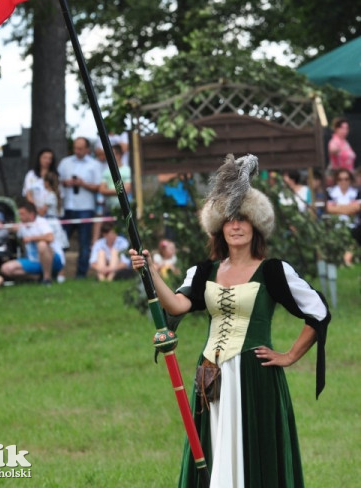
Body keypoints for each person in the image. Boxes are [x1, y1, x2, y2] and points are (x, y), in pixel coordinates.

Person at [129, 153, 331, 488]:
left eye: (243, 219)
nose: (235, 226)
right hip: (210, 379)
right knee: (212, 453)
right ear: (219, 227)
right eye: (229, 220)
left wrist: (290, 356)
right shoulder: (204, 271)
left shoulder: (274, 271)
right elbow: (177, 305)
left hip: (255, 379)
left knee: (254, 458)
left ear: (255, 225)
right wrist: (150, 273)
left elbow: (318, 312)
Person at [58, 137, 101, 278]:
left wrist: (83, 184)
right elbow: (56, 182)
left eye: (80, 148)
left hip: (85, 207)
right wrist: (65, 183)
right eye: (75, 148)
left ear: (87, 149)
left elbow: (98, 186)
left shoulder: (94, 165)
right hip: (67, 207)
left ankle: (81, 274)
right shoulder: (65, 163)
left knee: (84, 243)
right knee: (61, 241)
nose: (77, 151)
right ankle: (58, 271)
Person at [1, 199, 65, 285]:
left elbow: (50, 237)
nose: (20, 216)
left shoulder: (41, 222)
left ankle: (47, 279)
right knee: (6, 269)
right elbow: (13, 230)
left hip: (53, 260)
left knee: (42, 245)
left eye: (22, 214)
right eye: (19, 214)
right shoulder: (22, 225)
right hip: (33, 260)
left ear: (31, 214)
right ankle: (37, 277)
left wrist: (32, 238)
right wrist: (7, 227)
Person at [325, 169, 361, 267]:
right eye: (340, 179)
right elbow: (328, 208)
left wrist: (338, 207)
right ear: (337, 180)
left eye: (346, 179)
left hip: (353, 225)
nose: (343, 181)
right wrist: (348, 208)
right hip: (335, 224)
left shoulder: (357, 192)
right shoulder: (330, 192)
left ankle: (347, 258)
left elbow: (357, 208)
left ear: (350, 180)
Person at [98, 143, 132, 213]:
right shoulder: (106, 171)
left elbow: (126, 190)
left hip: (124, 209)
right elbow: (101, 190)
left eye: (111, 154)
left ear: (119, 155)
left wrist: (107, 191)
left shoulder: (128, 170)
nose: (108, 157)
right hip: (109, 209)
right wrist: (119, 191)